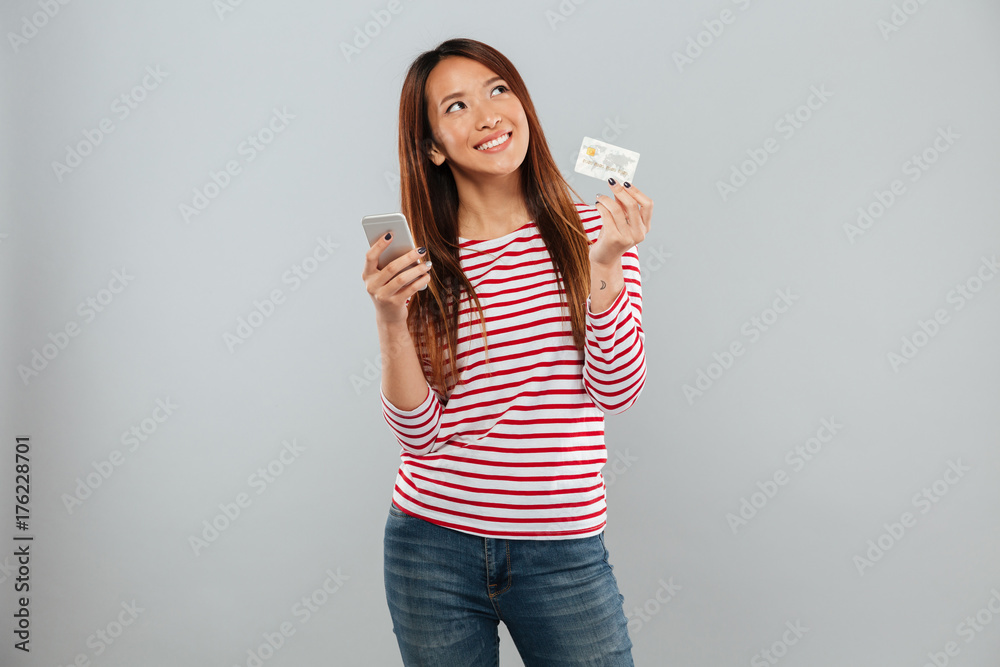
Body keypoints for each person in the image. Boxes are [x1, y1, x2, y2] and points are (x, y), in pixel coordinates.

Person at [361, 37, 653, 666]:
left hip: (562, 549)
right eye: (457, 106)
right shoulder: (422, 265)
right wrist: (390, 315)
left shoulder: (594, 230)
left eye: (498, 90)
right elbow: (419, 432)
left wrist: (604, 264)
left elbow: (619, 389)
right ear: (433, 146)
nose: (490, 115)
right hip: (429, 543)